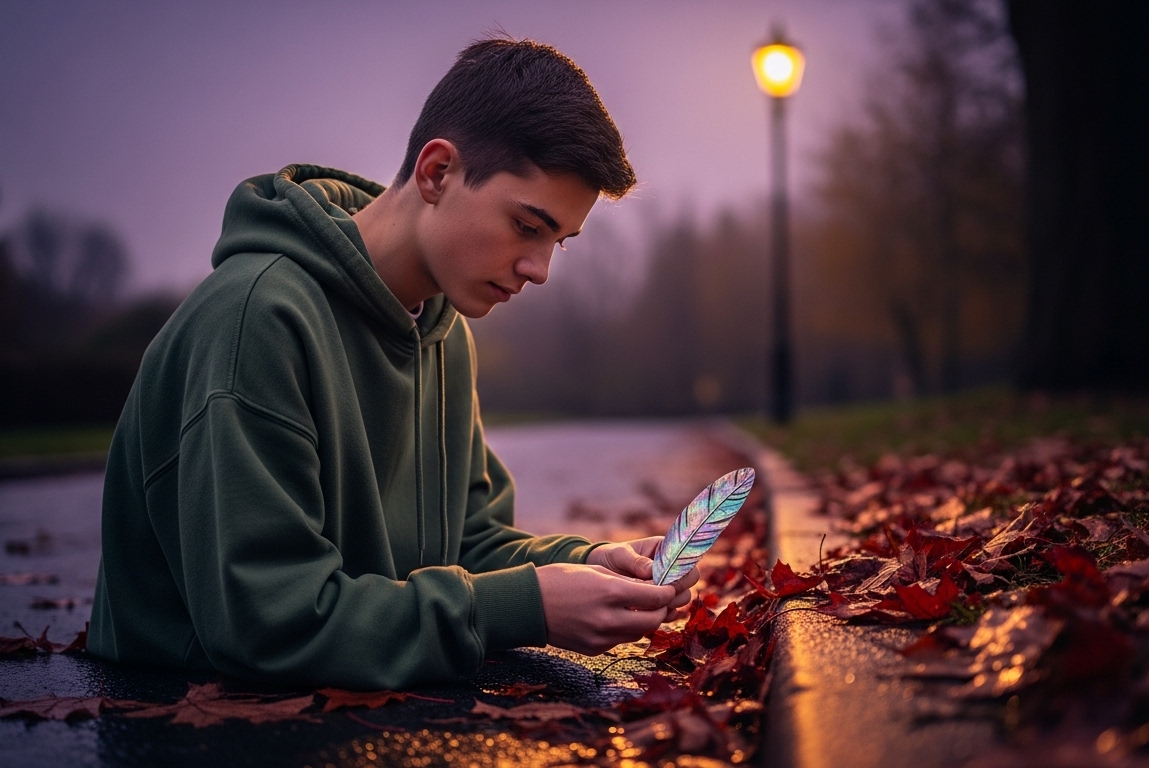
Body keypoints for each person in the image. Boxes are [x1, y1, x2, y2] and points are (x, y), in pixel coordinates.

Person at [88, 37, 699, 690]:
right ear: (436, 173)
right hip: (188, 722)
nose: (540, 270)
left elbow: (466, 546)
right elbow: (270, 623)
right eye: (527, 226)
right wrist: (528, 607)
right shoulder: (257, 320)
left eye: (559, 242)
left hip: (341, 716)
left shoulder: (441, 328)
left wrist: (590, 563)